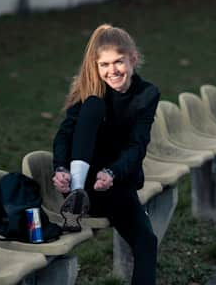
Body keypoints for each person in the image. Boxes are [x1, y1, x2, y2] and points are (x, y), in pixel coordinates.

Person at [52, 23, 160, 284]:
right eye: (104, 65)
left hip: (114, 183)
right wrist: (61, 169)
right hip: (83, 184)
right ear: (97, 67)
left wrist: (113, 172)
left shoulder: (146, 94)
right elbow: (65, 135)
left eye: (118, 62)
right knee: (93, 105)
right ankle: (76, 199)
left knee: (147, 242)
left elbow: (137, 145)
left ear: (132, 59)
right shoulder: (90, 89)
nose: (112, 71)